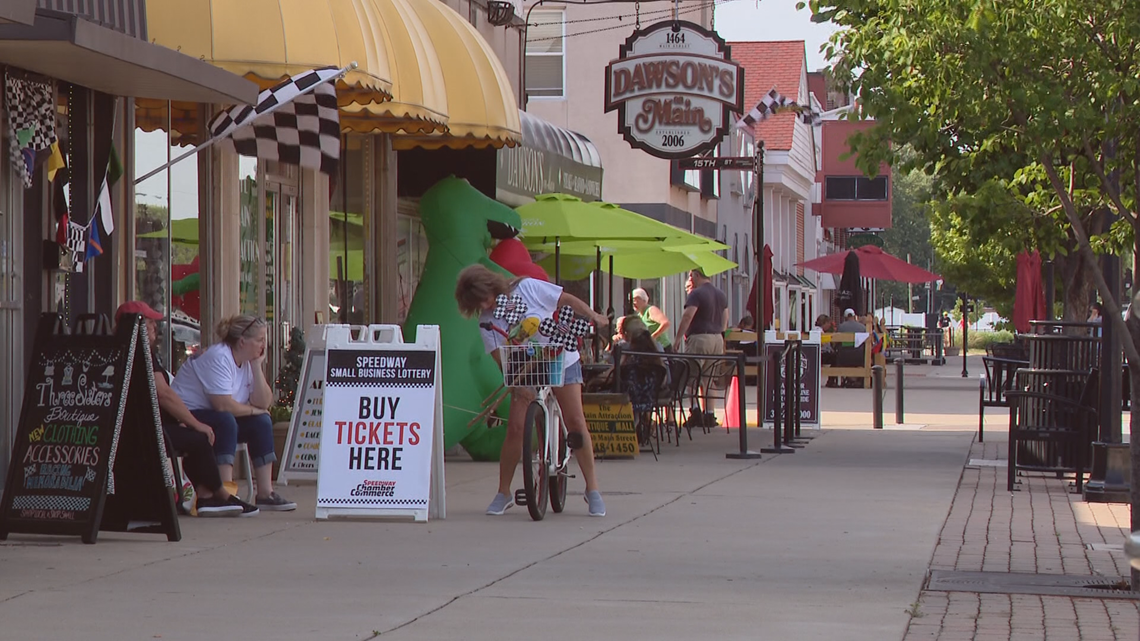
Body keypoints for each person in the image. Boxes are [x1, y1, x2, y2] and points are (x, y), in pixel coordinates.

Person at [455, 264, 609, 517]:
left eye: (484, 299)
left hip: (561, 358)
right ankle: (503, 492)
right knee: (516, 427)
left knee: (576, 421)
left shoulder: (526, 288)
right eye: (477, 305)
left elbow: (564, 299)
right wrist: (517, 385)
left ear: (491, 287)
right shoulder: (487, 322)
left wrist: (592, 314)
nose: (484, 307)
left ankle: (592, 489)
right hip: (524, 369)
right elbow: (499, 358)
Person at [114, 301, 256, 517]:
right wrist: (195, 423)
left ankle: (209, 495)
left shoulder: (122, 351)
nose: (155, 328)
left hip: (138, 428)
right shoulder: (140, 355)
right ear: (136, 326)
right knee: (199, 437)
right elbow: (164, 395)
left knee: (193, 434)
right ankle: (216, 495)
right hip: (142, 432)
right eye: (150, 323)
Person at [171, 314, 296, 512]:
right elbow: (223, 405)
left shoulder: (247, 361)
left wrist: (256, 366)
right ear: (242, 341)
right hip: (187, 414)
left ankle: (265, 493)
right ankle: (225, 492)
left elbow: (264, 402)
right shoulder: (219, 356)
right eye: (260, 340)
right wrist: (255, 410)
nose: (264, 345)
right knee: (227, 420)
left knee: (261, 422)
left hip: (216, 416)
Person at [674, 269, 728, 427]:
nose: (690, 279)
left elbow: (688, 316)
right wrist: (720, 334)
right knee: (709, 380)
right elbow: (726, 317)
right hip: (717, 338)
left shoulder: (696, 294)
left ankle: (695, 412)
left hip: (700, 337)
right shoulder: (721, 294)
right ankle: (710, 415)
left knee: (692, 377)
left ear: (696, 275)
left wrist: (678, 338)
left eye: (691, 276)